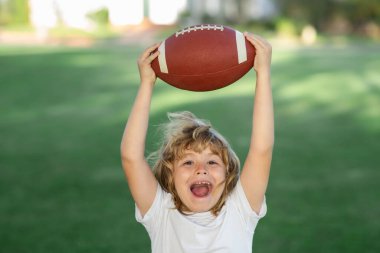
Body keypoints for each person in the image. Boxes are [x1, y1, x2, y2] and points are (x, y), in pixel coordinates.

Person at [120, 33, 274, 253]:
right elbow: (131, 157)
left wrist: (263, 74)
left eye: (212, 162)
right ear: (170, 172)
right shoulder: (161, 213)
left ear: (228, 172)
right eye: (188, 163)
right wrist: (146, 84)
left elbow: (262, 149)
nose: (201, 170)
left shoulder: (240, 209)